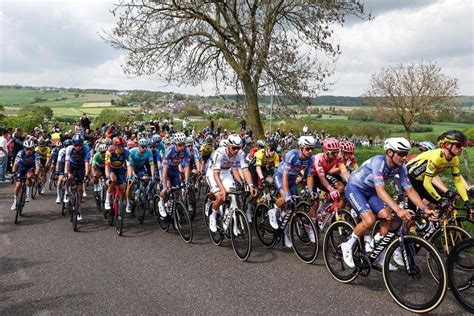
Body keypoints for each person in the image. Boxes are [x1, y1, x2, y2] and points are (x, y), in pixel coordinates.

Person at [341, 137, 435, 269]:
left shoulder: (401, 167)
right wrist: (398, 209)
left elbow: (410, 190)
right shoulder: (379, 162)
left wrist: (425, 209)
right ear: (390, 152)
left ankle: (377, 253)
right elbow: (380, 190)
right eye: (401, 153)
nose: (404, 157)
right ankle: (348, 245)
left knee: (388, 217)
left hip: (371, 191)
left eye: (406, 153)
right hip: (355, 188)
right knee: (369, 220)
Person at [406, 130, 473, 216]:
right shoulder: (436, 157)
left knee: (446, 205)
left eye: (463, 145)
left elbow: (458, 181)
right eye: (459, 145)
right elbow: (427, 183)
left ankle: (438, 226)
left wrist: (466, 201)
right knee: (413, 215)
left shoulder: (455, 159)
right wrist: (440, 200)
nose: (462, 148)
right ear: (447, 145)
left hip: (423, 180)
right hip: (411, 179)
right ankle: (405, 228)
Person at [268, 135, 316, 247]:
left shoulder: (310, 159)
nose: (310, 151)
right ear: (301, 148)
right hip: (280, 177)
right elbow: (284, 176)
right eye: (307, 148)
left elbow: (309, 176)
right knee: (286, 198)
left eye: (312, 149)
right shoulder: (292, 155)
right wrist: (286, 194)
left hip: (292, 180)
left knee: (293, 205)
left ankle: (285, 233)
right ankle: (273, 210)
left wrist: (310, 190)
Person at [206, 134, 257, 233]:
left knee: (233, 195)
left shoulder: (240, 153)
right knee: (221, 196)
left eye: (238, 148)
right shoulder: (219, 153)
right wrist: (222, 189)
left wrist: (251, 185)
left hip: (226, 173)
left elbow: (245, 170)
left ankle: (229, 218)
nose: (237, 150)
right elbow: (216, 175)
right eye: (234, 148)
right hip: (213, 173)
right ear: (228, 146)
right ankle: (213, 215)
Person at [158, 132, 191, 217]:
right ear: (175, 144)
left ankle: (174, 208)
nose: (182, 147)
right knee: (167, 189)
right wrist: (165, 186)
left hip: (175, 170)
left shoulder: (186, 150)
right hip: (166, 170)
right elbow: (164, 170)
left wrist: (186, 180)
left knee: (177, 192)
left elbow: (187, 166)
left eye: (184, 144)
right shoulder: (170, 150)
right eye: (180, 145)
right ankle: (161, 202)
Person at [64, 135, 91, 221]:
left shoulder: (86, 148)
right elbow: (67, 162)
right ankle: (66, 192)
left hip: (81, 166)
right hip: (71, 165)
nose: (78, 147)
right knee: (69, 178)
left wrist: (86, 174)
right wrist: (66, 173)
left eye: (80, 145)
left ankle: (78, 209)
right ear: (73, 144)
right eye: (76, 145)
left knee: (80, 188)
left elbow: (87, 163)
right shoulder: (69, 148)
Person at [126, 138, 155, 213]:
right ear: (138, 146)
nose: (144, 148)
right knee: (130, 181)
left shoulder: (148, 152)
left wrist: (152, 175)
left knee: (146, 178)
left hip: (141, 168)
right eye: (142, 146)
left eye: (145, 146)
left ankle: (142, 192)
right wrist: (133, 175)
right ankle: (128, 202)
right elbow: (130, 165)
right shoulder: (132, 152)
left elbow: (151, 164)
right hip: (132, 167)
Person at [11, 140, 41, 210]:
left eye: (31, 149)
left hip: (31, 167)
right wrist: (13, 173)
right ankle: (15, 201)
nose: (29, 150)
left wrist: (36, 175)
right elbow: (15, 164)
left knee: (29, 176)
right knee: (18, 185)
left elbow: (38, 166)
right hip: (22, 167)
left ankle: (28, 192)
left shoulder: (36, 154)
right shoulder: (20, 153)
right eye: (27, 149)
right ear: (24, 148)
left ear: (33, 148)